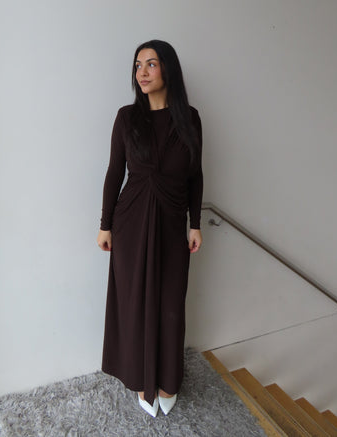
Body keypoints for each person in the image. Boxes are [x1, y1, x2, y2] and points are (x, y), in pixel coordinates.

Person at [97, 39, 203, 418]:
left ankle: (168, 380)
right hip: (131, 222)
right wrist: (105, 225)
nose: (142, 72)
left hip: (172, 222)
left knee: (170, 303)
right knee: (135, 302)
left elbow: (195, 175)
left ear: (168, 69)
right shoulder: (127, 118)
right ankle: (142, 379)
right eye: (138, 65)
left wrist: (195, 223)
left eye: (151, 64)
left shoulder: (190, 118)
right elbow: (115, 172)